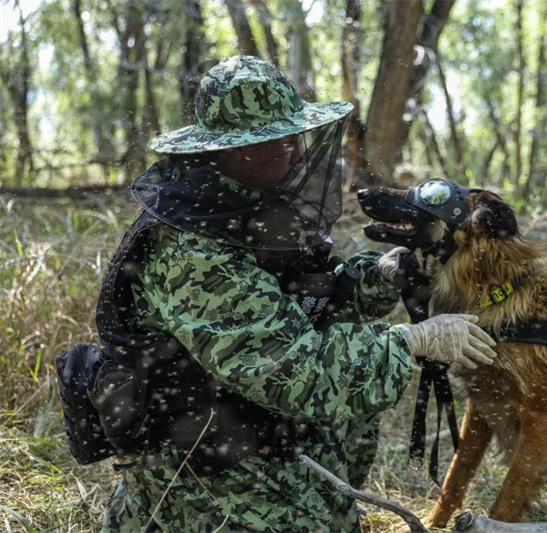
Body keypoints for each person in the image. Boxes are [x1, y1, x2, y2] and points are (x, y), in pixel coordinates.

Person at [95, 55, 497, 532]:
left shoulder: (249, 204)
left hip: (255, 428)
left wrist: (378, 276)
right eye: (275, 141)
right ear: (232, 151)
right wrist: (413, 341)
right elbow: (291, 371)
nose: (293, 149)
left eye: (293, 135)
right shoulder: (192, 246)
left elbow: (305, 299)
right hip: (201, 455)